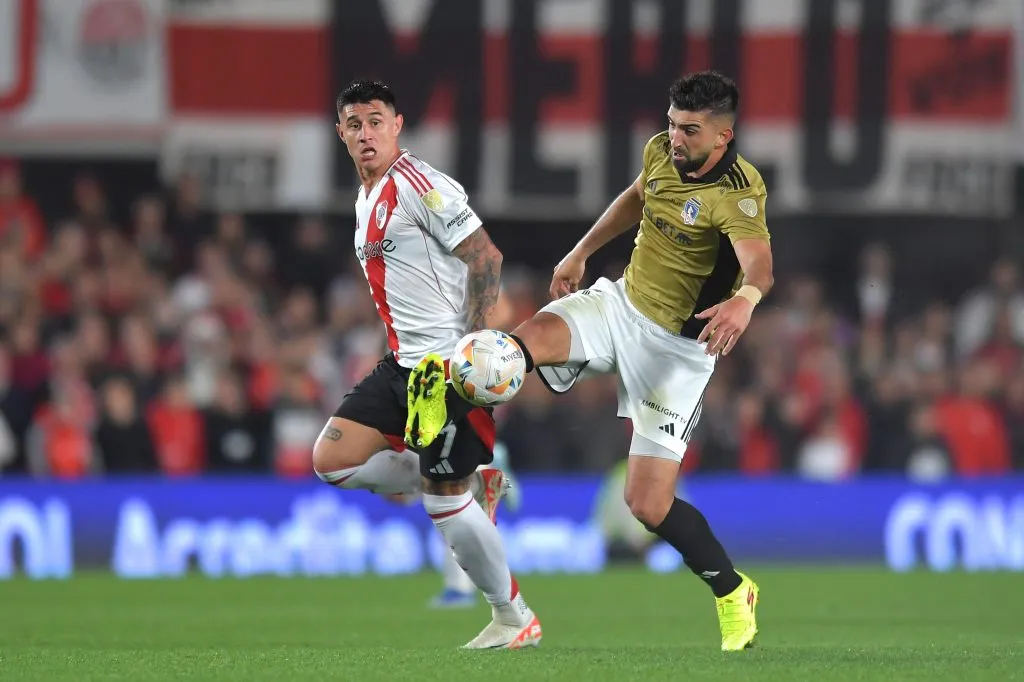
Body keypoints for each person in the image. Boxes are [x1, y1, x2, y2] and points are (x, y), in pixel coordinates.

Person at [411, 71, 770, 651]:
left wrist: (745, 302)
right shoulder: (660, 151)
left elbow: (760, 265)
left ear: (723, 136)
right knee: (507, 351)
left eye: (691, 130)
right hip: (619, 305)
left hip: (676, 354)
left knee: (646, 504)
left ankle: (732, 591)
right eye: (673, 124)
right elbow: (637, 196)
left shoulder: (740, 191)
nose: (676, 137)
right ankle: (476, 464)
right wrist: (581, 251)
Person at [312, 79, 541, 650]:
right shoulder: (367, 197)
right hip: (401, 368)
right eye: (354, 124)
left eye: (375, 121)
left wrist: (475, 351)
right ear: (341, 133)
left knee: (445, 505)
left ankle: (514, 618)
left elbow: (484, 256)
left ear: (397, 125)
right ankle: (472, 480)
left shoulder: (419, 184)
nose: (366, 133)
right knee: (332, 460)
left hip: (447, 369)